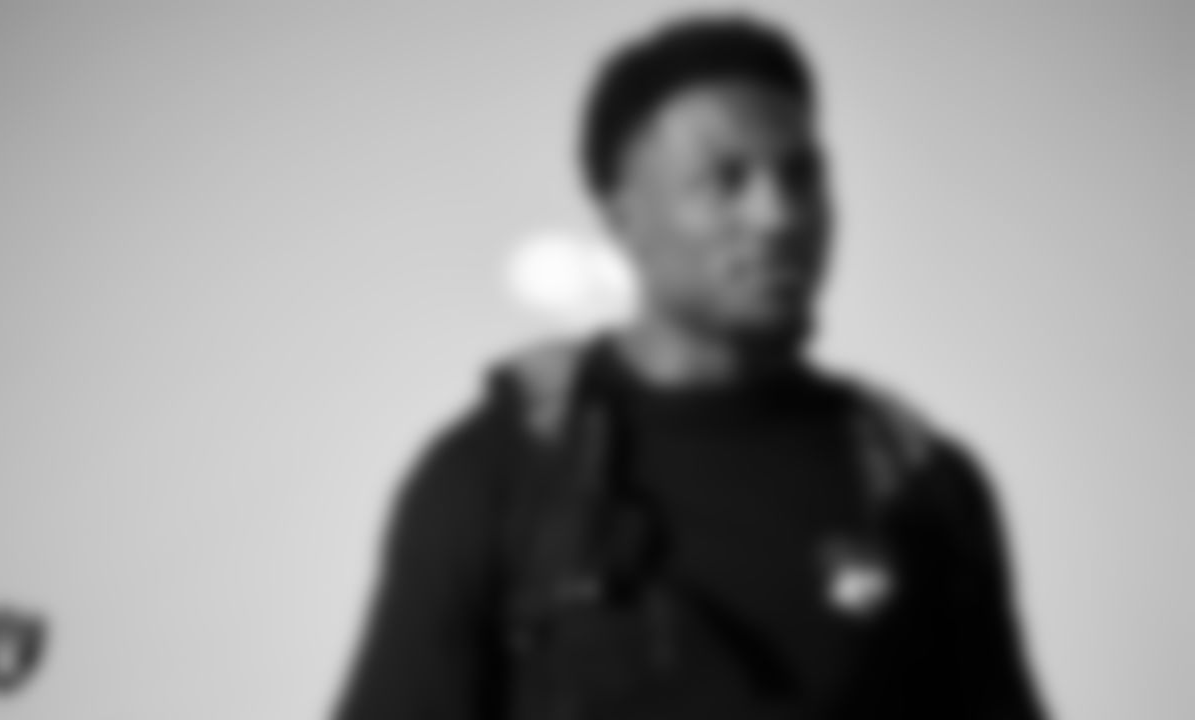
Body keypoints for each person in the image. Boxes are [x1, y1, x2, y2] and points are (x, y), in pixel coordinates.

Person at [330, 13, 1049, 720]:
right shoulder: (502, 477)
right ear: (624, 218)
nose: (777, 216)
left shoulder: (918, 485)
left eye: (801, 176)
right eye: (724, 181)